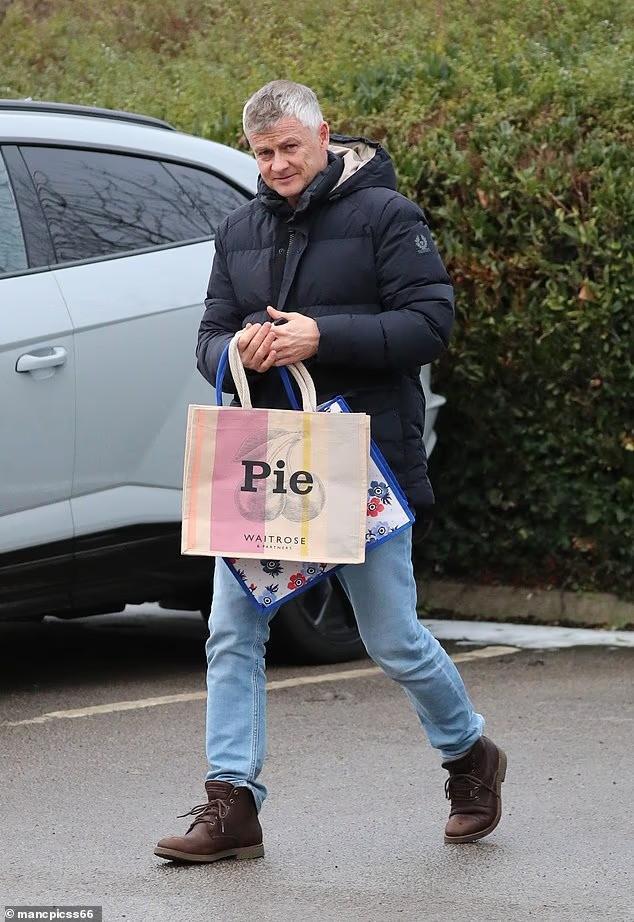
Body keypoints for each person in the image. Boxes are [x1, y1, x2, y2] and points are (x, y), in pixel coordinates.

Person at [155, 80, 506, 863]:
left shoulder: (388, 215)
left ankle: (470, 755)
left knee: (393, 639)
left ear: (323, 136)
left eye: (290, 147)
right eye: (263, 153)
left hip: (361, 462)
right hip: (265, 463)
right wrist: (237, 349)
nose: (278, 164)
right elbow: (208, 337)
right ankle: (232, 801)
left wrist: (323, 337)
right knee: (231, 629)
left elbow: (430, 324)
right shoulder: (238, 229)